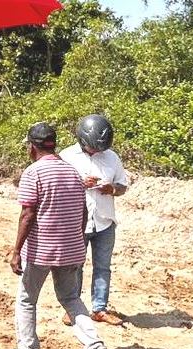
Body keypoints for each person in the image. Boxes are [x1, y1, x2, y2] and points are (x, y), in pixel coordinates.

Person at [7, 122, 116, 349]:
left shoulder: (33, 174)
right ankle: (96, 348)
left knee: (26, 299)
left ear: (31, 147)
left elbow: (27, 214)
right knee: (70, 299)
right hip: (72, 249)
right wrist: (76, 240)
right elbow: (84, 211)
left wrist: (16, 251)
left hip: (41, 251)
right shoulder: (72, 172)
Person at [60, 114, 129, 326]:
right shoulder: (66, 156)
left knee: (103, 267)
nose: (97, 152)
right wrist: (80, 184)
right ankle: (73, 308)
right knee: (75, 265)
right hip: (76, 221)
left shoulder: (112, 158)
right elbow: (57, 188)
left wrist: (113, 189)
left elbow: (123, 186)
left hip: (105, 220)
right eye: (93, 148)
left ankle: (99, 308)